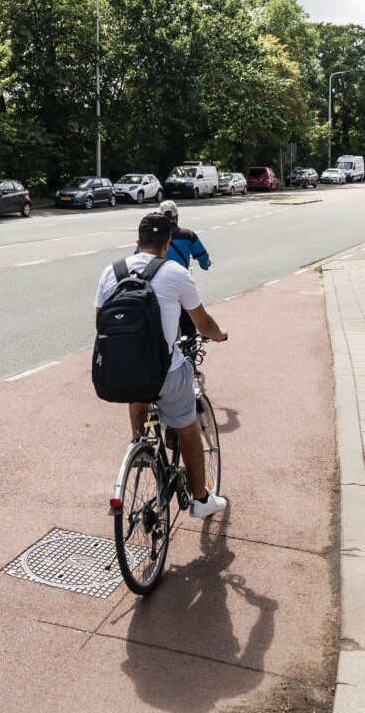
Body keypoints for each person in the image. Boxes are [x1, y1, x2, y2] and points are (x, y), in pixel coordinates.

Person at [96, 212, 230, 518]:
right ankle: (200, 499)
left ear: (137, 242)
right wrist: (219, 336)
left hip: (123, 372)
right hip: (165, 373)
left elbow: (99, 323)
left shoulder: (111, 272)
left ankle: (140, 444)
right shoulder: (176, 272)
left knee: (138, 389)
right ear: (167, 243)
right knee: (188, 428)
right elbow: (202, 322)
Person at [155, 200, 211, 272]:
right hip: (180, 279)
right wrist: (205, 264)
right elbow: (203, 257)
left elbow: (138, 256)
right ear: (177, 217)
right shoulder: (188, 235)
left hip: (154, 280)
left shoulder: (149, 235)